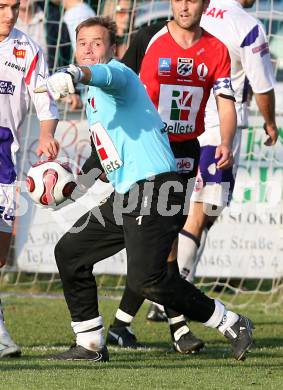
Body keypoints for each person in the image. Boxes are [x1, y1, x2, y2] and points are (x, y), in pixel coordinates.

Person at [35, 15, 253, 362]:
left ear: (113, 48)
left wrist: (74, 74)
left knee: (148, 279)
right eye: (82, 44)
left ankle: (231, 322)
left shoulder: (118, 74)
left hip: (157, 187)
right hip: (129, 194)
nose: (89, 50)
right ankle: (90, 343)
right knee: (70, 252)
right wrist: (74, 190)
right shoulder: (93, 96)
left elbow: (100, 73)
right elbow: (102, 154)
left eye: (97, 43)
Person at [105, 0, 237, 354]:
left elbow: (226, 103)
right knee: (157, 241)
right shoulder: (147, 38)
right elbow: (114, 84)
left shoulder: (216, 49)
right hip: (145, 149)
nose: (184, 5)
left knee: (163, 242)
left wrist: (226, 140)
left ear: (205, 4)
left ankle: (123, 325)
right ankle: (177, 327)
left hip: (183, 153)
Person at [177, 0, 278, 283]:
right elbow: (262, 86)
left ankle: (182, 284)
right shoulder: (246, 25)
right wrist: (270, 122)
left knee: (199, 211)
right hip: (219, 127)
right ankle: (167, 299)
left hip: (182, 120)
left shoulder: (187, 14)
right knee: (200, 212)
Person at [0, 0, 59, 358]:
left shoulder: (27, 49)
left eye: (15, 7)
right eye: (2, 6)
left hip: (5, 158)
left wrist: (49, 134)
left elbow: (45, 100)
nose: (10, 14)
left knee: (0, 256)